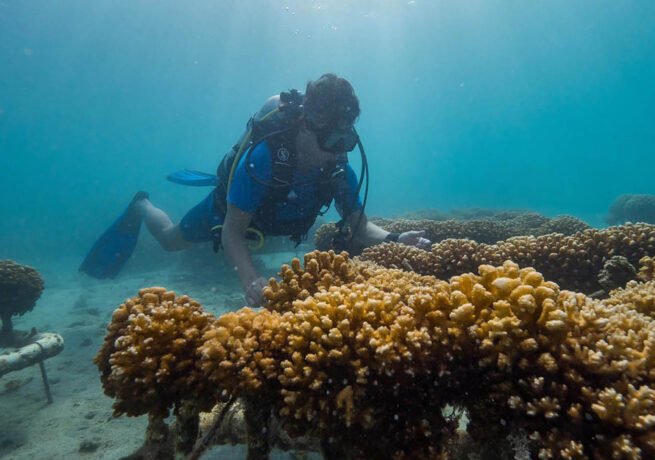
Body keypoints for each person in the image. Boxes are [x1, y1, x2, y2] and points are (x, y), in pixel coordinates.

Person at [80, 73, 431, 306]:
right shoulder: (265, 159)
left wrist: (397, 239)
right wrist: (251, 282)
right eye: (333, 139)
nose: (341, 150)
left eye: (348, 139)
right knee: (171, 241)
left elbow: (359, 225)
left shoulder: (338, 170)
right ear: (307, 128)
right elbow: (233, 233)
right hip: (229, 213)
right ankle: (142, 206)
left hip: (273, 224)